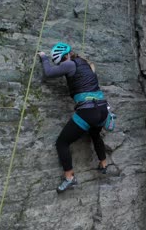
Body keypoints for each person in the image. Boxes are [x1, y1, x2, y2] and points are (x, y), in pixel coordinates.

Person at [38, 42, 109, 193]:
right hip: (103, 109)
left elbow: (48, 73)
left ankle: (69, 177)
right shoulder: (85, 63)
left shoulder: (69, 64)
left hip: (88, 111)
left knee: (62, 142)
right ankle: (103, 163)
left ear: (65, 56)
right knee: (95, 134)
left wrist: (43, 57)